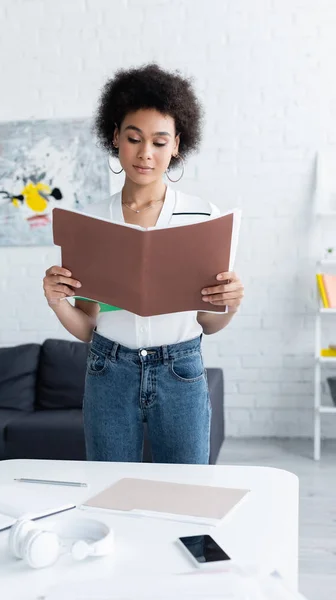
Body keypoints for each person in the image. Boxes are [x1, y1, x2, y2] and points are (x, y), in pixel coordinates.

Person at [43, 63, 244, 464]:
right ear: (115, 137)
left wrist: (231, 304)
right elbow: (87, 326)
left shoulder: (203, 217)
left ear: (176, 145)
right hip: (109, 370)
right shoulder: (93, 221)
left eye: (158, 141)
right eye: (134, 138)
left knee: (187, 494)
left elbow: (208, 323)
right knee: (110, 490)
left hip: (181, 370)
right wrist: (57, 303)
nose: (145, 154)